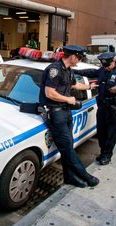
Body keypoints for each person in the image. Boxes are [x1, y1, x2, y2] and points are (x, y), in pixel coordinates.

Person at [39, 45, 99, 188]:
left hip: (66, 112)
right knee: (67, 148)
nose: (79, 60)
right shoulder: (54, 69)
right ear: (72, 56)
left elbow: (75, 85)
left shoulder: (68, 71)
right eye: (79, 57)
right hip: (56, 113)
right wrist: (68, 99)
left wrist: (90, 87)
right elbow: (49, 93)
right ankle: (85, 176)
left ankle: (70, 177)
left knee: (68, 147)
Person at [74, 52, 116, 165]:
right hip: (102, 106)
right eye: (104, 65)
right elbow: (89, 72)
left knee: (111, 133)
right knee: (101, 132)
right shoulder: (102, 71)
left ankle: (107, 155)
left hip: (114, 108)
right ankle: (103, 152)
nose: (106, 68)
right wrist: (74, 70)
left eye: (108, 65)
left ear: (114, 61)